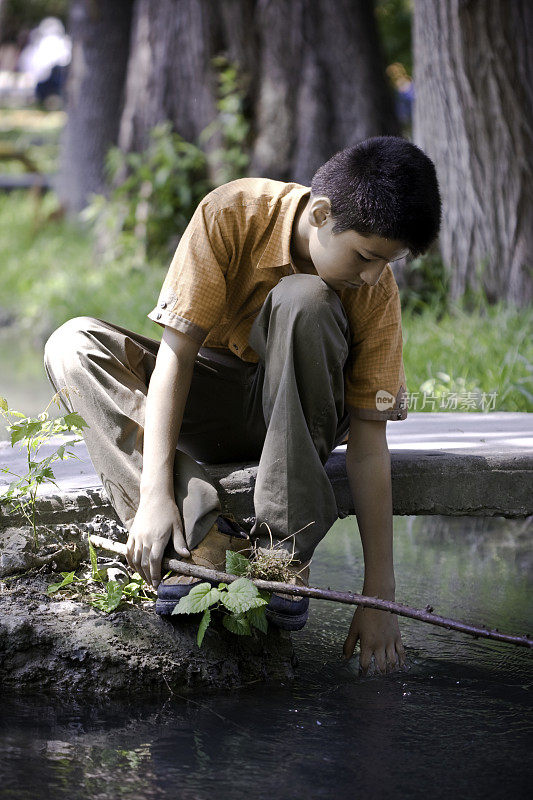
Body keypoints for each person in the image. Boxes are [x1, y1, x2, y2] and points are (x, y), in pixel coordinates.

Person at [43, 136, 441, 675]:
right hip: (210, 402)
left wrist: (380, 597)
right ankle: (202, 536)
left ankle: (281, 553)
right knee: (72, 344)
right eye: (366, 256)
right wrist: (155, 495)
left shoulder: (373, 289)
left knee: (307, 299)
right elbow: (175, 360)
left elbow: (369, 446)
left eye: (387, 262)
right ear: (321, 214)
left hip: (305, 414)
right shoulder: (232, 213)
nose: (372, 275)